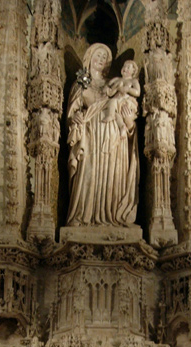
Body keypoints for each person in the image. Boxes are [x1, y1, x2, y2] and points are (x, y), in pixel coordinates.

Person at [67, 43, 140, 227]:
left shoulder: (114, 83)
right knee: (88, 175)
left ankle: (112, 216)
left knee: (112, 178)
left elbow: (127, 106)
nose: (101, 60)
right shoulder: (81, 83)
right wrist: (75, 117)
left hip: (114, 138)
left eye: (104, 57)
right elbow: (72, 112)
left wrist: (129, 123)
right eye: (98, 55)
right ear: (89, 57)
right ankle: (83, 216)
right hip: (90, 136)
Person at [104, 60, 141, 138]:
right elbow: (107, 86)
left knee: (114, 104)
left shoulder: (133, 81)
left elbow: (137, 92)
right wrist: (112, 88)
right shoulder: (117, 79)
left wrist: (128, 89)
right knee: (116, 113)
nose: (125, 68)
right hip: (117, 102)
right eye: (124, 66)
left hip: (126, 102)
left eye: (128, 67)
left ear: (133, 71)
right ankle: (121, 126)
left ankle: (112, 116)